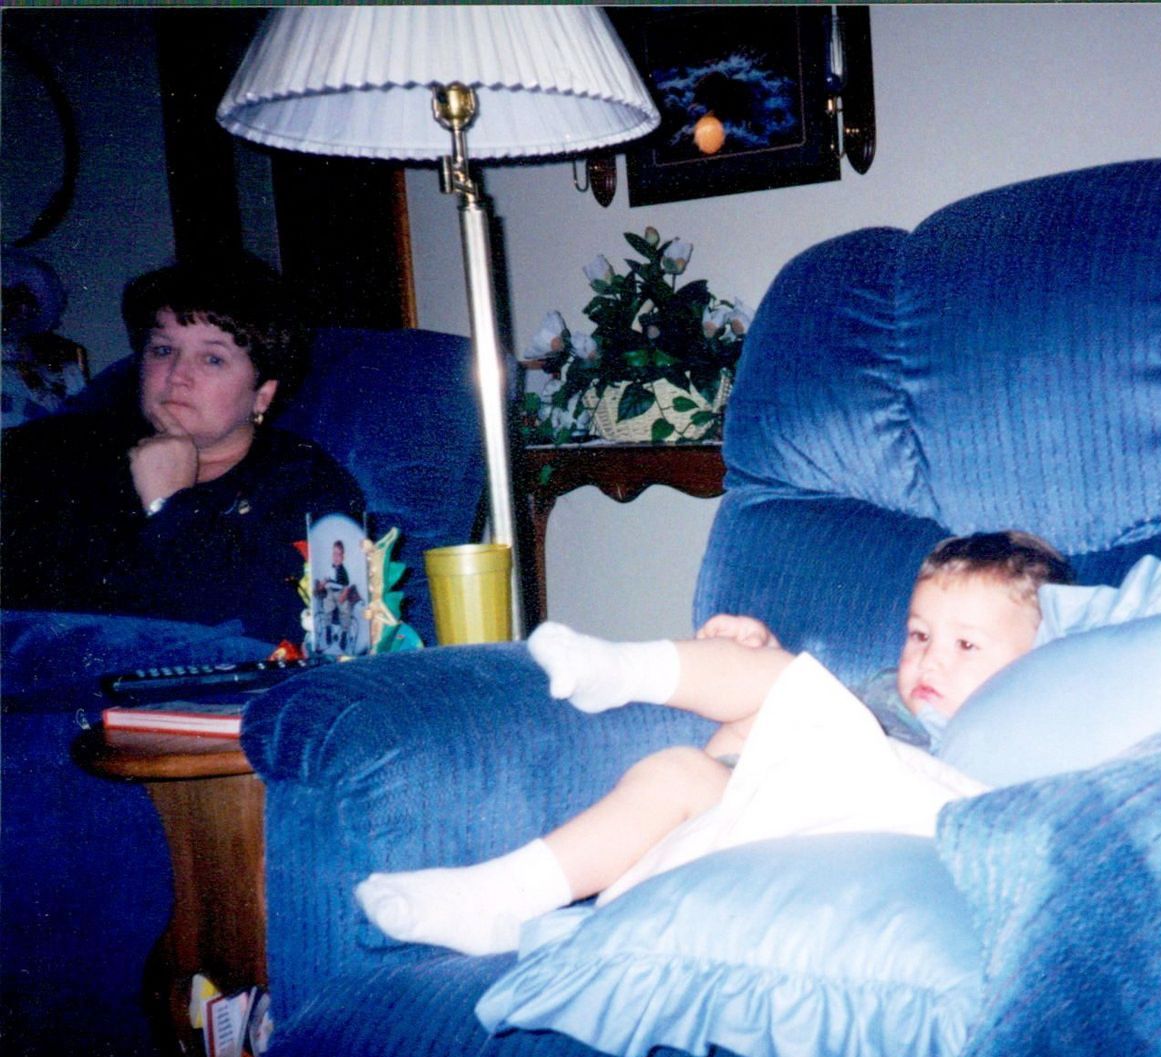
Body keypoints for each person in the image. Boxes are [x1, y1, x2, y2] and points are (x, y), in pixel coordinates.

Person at [356, 531, 1074, 955]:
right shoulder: (885, 695)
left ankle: (635, 675)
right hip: (758, 820)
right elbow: (803, 729)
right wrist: (762, 668)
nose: (930, 659)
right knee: (677, 766)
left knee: (787, 688)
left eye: (965, 645)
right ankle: (508, 895)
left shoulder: (1026, 730)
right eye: (918, 634)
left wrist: (785, 689)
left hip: (878, 846)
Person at [0, 256, 364, 644]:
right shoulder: (60, 455)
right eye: (162, 350)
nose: (177, 375)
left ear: (262, 394)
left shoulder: (308, 483)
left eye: (212, 358)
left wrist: (171, 505)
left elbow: (334, 636)